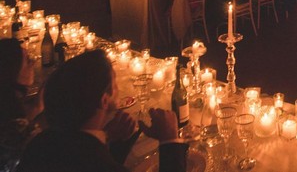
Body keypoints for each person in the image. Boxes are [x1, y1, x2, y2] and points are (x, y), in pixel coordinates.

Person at [18, 50, 187, 172]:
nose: (119, 87)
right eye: (114, 82)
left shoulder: (39, 144)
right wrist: (170, 140)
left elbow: (84, 152)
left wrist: (107, 137)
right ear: (104, 100)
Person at [0, 39, 42, 171]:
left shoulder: (7, 103)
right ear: (12, 69)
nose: (33, 62)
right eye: (27, 60)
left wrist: (36, 107)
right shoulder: (16, 128)